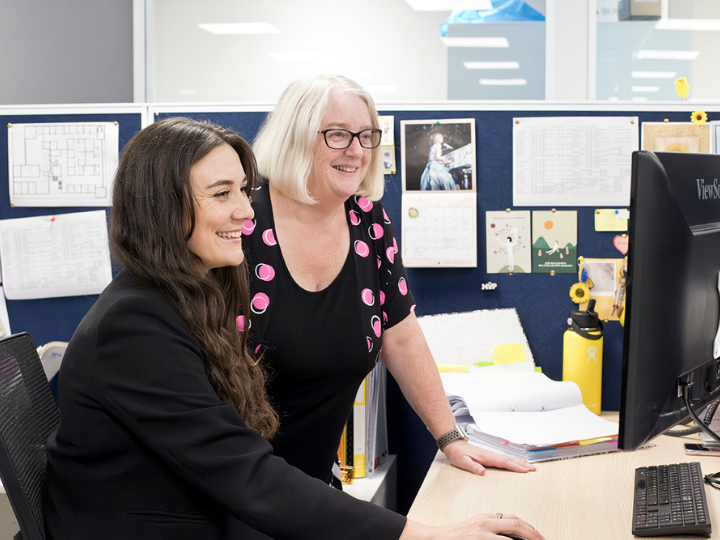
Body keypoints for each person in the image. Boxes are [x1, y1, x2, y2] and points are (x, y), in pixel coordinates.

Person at [43, 116, 545, 540]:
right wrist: (422, 536)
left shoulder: (190, 294)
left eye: (244, 189)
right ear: (163, 209)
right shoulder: (135, 325)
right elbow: (246, 475)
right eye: (222, 194)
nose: (245, 211)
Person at [248, 74, 536, 488]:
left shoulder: (368, 222)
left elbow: (400, 337)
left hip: (310, 489)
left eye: (367, 136)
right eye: (338, 135)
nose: (357, 150)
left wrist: (451, 437)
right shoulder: (240, 221)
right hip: (231, 490)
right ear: (295, 136)